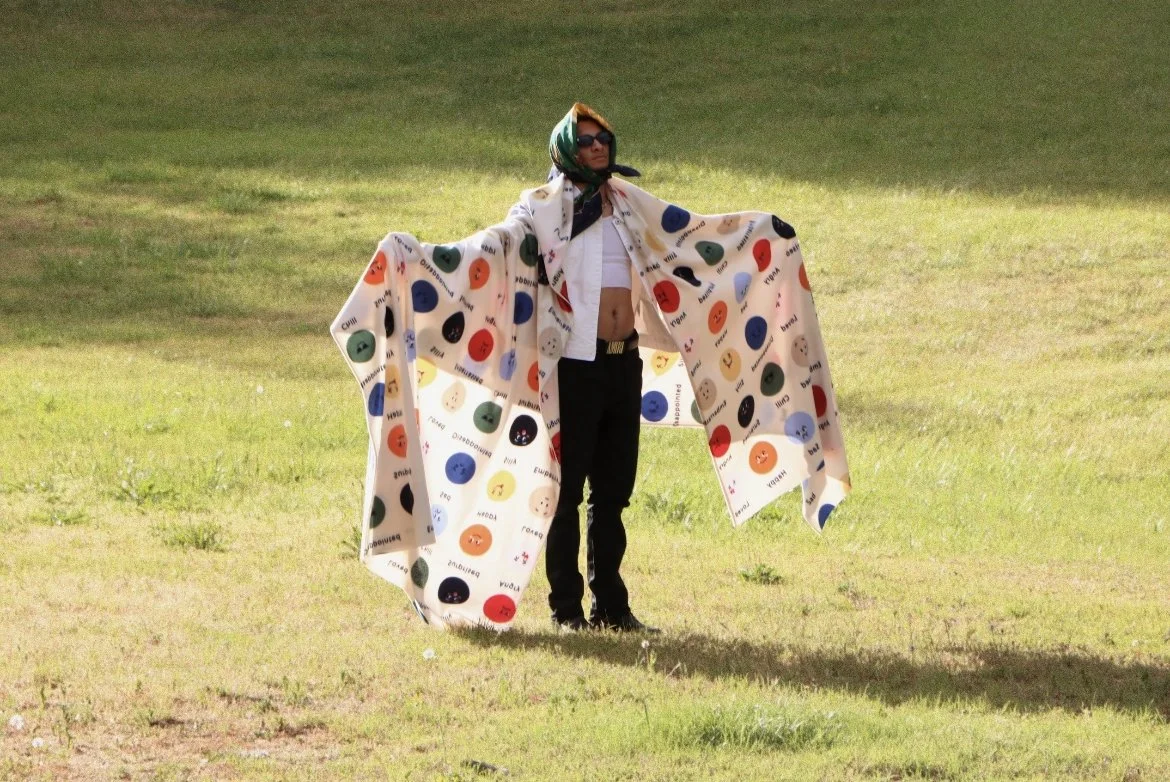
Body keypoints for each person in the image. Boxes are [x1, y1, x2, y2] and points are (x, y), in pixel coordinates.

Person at [539, 105, 658, 633]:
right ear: (567, 150)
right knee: (565, 494)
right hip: (574, 365)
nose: (598, 147)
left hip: (623, 361)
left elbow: (693, 237)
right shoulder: (547, 208)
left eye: (603, 138)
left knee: (613, 493)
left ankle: (611, 605)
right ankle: (566, 610)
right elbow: (494, 249)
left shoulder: (629, 203)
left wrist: (761, 232)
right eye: (586, 141)